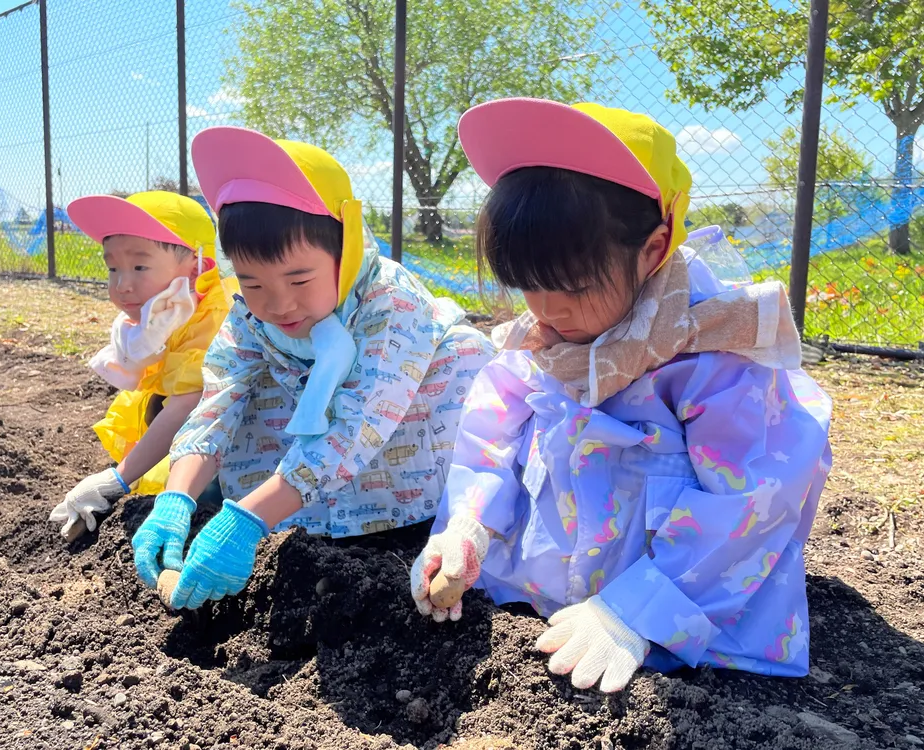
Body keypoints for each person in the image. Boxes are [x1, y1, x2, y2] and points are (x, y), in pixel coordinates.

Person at [410, 99, 832, 693]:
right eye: (527, 285)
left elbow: (753, 496)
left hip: (681, 597)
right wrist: (467, 530)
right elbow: (490, 443)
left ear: (654, 249)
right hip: (552, 580)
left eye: (573, 287)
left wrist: (638, 610)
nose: (546, 311)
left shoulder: (712, 351)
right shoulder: (541, 342)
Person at [131, 127, 494, 609]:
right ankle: (293, 517)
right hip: (309, 482)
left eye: (299, 278)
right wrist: (176, 498)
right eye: (253, 282)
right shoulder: (249, 318)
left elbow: (358, 423)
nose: (279, 303)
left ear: (342, 253)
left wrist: (249, 520)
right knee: (250, 383)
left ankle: (399, 526)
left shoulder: (390, 303)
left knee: (460, 356)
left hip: (400, 449)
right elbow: (218, 400)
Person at [49, 191, 231, 539]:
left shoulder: (213, 320)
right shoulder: (167, 314)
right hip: (205, 430)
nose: (122, 284)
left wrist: (117, 479)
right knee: (153, 404)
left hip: (253, 443)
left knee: (171, 410)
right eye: (112, 268)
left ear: (198, 267)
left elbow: (185, 408)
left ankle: (209, 502)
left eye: (139, 267)